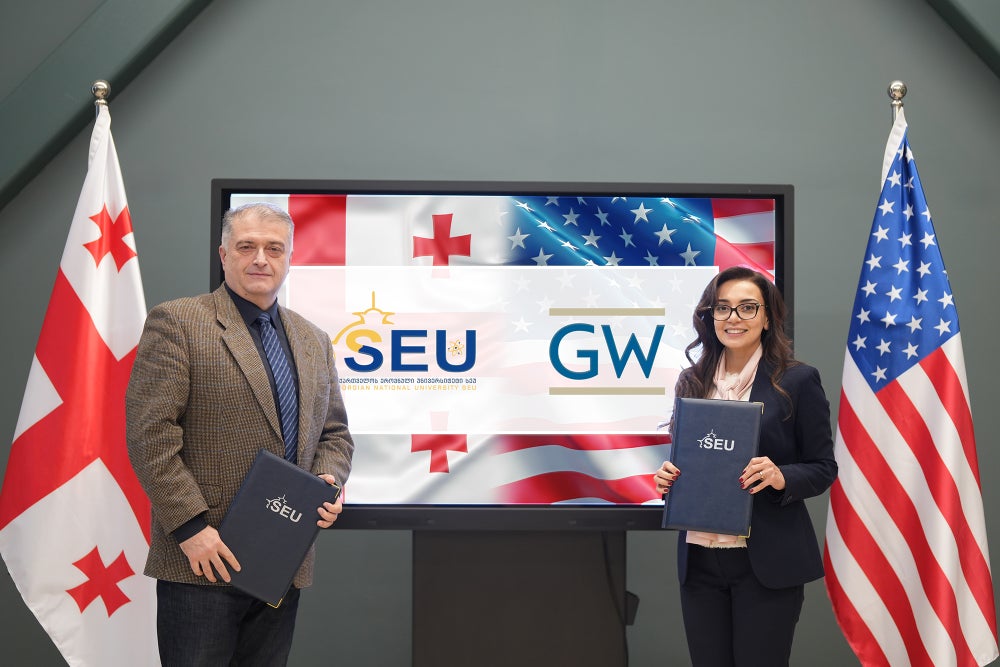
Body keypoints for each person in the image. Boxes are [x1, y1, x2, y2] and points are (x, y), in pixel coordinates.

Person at [126, 202, 354, 666]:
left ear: (290, 257)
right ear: (224, 254)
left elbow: (335, 434)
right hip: (201, 558)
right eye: (247, 246)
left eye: (274, 248)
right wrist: (191, 529)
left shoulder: (313, 339)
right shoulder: (179, 322)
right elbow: (150, 436)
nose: (261, 259)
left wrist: (326, 483)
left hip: (281, 560)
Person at [653, 266, 837, 667]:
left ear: (768, 318)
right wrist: (668, 477)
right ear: (710, 316)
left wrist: (781, 475)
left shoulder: (797, 380)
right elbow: (687, 460)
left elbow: (823, 467)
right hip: (699, 561)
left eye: (747, 307)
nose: (733, 318)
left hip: (766, 562)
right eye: (722, 308)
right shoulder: (692, 380)